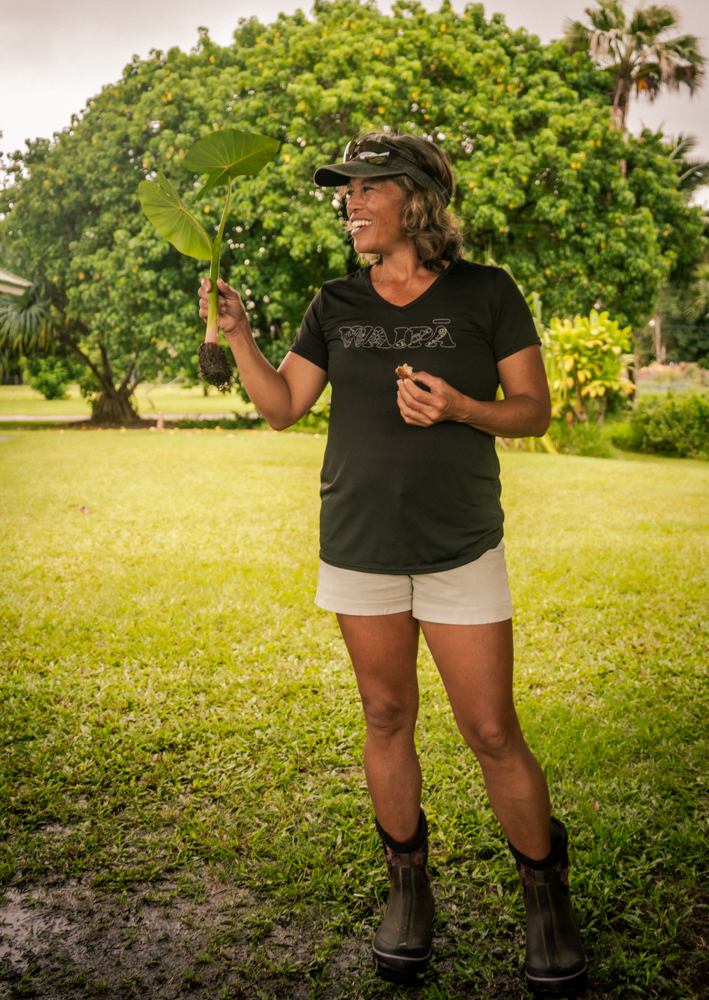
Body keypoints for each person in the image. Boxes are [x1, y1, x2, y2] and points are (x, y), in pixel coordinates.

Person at [198, 132, 586, 994]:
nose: (350, 203)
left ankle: (544, 893)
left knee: (491, 730)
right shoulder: (334, 301)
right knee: (384, 715)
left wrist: (460, 407)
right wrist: (242, 337)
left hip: (458, 546)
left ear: (415, 198)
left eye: (366, 188)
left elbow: (531, 411)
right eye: (345, 190)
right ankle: (407, 888)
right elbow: (282, 406)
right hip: (361, 546)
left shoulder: (487, 291)